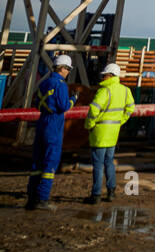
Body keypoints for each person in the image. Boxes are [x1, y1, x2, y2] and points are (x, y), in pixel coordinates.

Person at [25, 54, 74, 211]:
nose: (68, 72)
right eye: (68, 69)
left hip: (42, 122)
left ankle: (32, 198)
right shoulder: (60, 85)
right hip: (54, 124)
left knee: (37, 162)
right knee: (50, 162)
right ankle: (43, 199)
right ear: (63, 68)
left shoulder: (44, 83)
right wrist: (73, 100)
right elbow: (63, 106)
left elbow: (38, 103)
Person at [83, 62, 135, 205]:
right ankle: (111, 192)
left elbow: (93, 110)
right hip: (113, 133)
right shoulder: (125, 90)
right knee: (109, 162)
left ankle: (96, 195)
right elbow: (130, 108)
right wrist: (120, 121)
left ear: (110, 75)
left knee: (98, 165)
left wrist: (89, 125)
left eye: (104, 74)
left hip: (99, 133)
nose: (103, 77)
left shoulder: (104, 91)